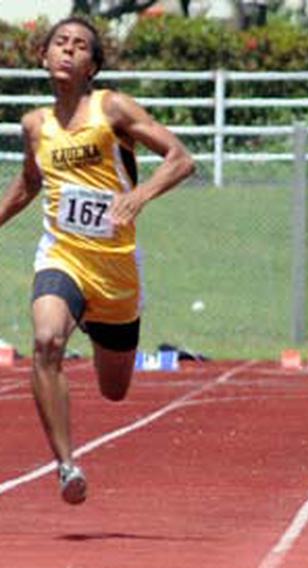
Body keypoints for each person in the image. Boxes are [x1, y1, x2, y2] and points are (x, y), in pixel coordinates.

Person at [0, 17, 195, 505]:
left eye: (80, 46)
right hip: (62, 255)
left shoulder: (111, 108)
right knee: (46, 341)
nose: (68, 51)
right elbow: (28, 184)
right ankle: (66, 466)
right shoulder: (35, 125)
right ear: (43, 57)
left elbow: (180, 158)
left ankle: (92, 319)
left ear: (93, 65)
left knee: (115, 389)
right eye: (59, 43)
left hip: (116, 270)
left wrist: (140, 195)